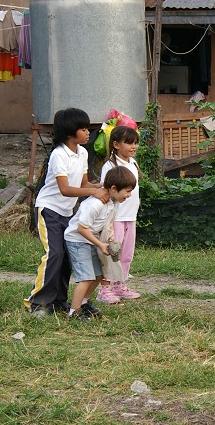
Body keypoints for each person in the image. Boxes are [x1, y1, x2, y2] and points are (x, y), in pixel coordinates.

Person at [24, 108, 108, 316]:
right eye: (83, 128)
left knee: (67, 257)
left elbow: (84, 183)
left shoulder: (82, 152)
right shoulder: (59, 155)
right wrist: (92, 191)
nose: (88, 132)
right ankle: (38, 302)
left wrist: (104, 186)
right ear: (70, 132)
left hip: (67, 212)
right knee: (54, 253)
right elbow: (65, 189)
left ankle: (58, 301)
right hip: (49, 210)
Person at [64, 166, 136, 320]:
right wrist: (100, 244)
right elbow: (81, 229)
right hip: (77, 240)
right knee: (86, 278)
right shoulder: (95, 204)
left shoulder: (114, 202)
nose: (129, 195)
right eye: (127, 191)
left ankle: (84, 304)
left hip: (91, 239)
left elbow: (108, 222)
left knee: (98, 275)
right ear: (114, 188)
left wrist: (109, 238)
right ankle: (73, 312)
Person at [96, 125, 142, 303]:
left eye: (135, 143)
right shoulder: (110, 166)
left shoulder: (133, 162)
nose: (133, 147)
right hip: (115, 218)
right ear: (116, 144)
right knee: (112, 253)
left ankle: (119, 285)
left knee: (126, 254)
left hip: (130, 216)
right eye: (129, 143)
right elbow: (106, 192)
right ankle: (105, 289)